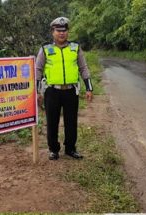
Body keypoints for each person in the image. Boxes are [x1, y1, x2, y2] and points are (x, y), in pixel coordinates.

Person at [35, 17, 93, 161]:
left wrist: (89, 88)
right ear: (52, 32)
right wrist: (36, 92)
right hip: (52, 91)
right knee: (52, 121)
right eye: (58, 31)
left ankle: (70, 149)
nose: (61, 33)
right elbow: (38, 70)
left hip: (71, 91)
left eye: (64, 30)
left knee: (71, 121)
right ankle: (53, 149)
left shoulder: (75, 48)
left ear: (68, 32)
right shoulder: (45, 49)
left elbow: (83, 68)